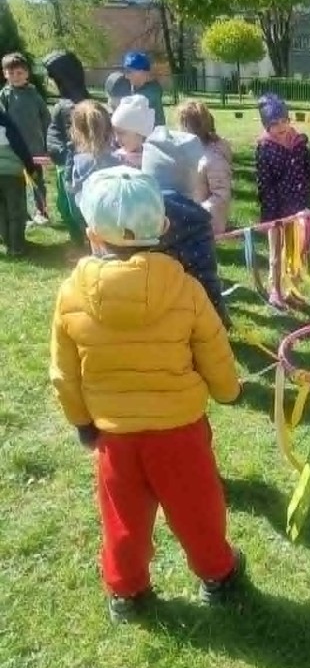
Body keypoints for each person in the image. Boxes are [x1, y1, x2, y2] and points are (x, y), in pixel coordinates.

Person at [49, 166, 245, 625]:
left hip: (114, 436)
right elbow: (214, 348)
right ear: (164, 226)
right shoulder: (186, 287)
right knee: (197, 507)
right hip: (180, 431)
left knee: (123, 517)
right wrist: (228, 391)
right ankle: (217, 574)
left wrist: (82, 422)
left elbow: (63, 373)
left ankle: (127, 591)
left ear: (93, 234)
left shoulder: (71, 294)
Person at [141, 124, 226, 319]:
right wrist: (219, 318)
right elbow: (205, 276)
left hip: (142, 313)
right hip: (185, 316)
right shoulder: (197, 222)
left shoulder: (133, 214)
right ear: (191, 178)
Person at [255, 93, 310, 308]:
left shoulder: (299, 143)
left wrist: (307, 204)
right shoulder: (265, 148)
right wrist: (269, 216)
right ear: (266, 126)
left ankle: (292, 290)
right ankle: (275, 290)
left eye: (284, 121)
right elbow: (265, 184)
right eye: (274, 123)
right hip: (277, 211)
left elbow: (306, 174)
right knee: (277, 254)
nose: (281, 127)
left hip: (299, 208)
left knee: (296, 251)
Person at [43, 50, 90, 244]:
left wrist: (64, 156)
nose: (49, 82)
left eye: (52, 78)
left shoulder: (75, 106)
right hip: (62, 163)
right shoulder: (64, 102)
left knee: (72, 207)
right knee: (64, 206)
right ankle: (78, 241)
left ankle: (83, 242)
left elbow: (76, 141)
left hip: (70, 165)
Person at [0, 51, 51, 223]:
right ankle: (24, 214)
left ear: (27, 73)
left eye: (19, 73)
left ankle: (42, 211)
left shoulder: (34, 95)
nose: (15, 77)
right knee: (18, 182)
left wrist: (47, 143)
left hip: (34, 148)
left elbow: (45, 118)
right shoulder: (5, 95)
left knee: (37, 181)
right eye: (11, 73)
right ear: (5, 74)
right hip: (13, 150)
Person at [176, 99, 233, 234]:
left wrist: (196, 213)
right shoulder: (190, 151)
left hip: (205, 224)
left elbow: (220, 195)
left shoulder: (213, 158)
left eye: (181, 125)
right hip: (189, 220)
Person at [0, 107, 39, 256]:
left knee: (1, 212)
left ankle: (8, 242)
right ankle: (17, 247)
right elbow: (20, 147)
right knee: (15, 211)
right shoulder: (6, 123)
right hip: (12, 174)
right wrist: (31, 168)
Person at [70, 100, 121, 205]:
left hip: (90, 213)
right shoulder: (121, 160)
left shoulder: (79, 164)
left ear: (77, 132)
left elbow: (77, 198)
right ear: (110, 127)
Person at [122, 51, 166, 125]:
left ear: (141, 72)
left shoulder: (152, 92)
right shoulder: (136, 86)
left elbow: (127, 114)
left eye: (129, 71)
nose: (126, 76)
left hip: (154, 132)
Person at [110, 94, 155, 167]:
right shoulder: (116, 159)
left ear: (138, 132)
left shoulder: (151, 159)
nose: (116, 139)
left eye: (121, 133)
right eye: (115, 134)